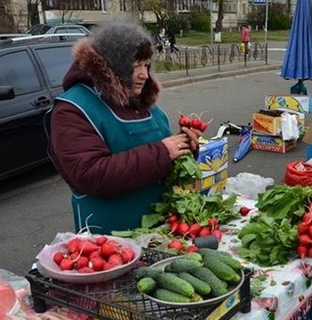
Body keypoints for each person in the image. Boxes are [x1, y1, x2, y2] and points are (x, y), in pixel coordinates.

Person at [44, 22, 200, 234]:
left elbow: (165, 159)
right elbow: (91, 176)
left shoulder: (145, 105)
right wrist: (163, 153)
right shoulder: (72, 109)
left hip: (160, 230)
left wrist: (185, 148)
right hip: (107, 240)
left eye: (146, 65)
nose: (144, 75)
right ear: (112, 64)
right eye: (136, 65)